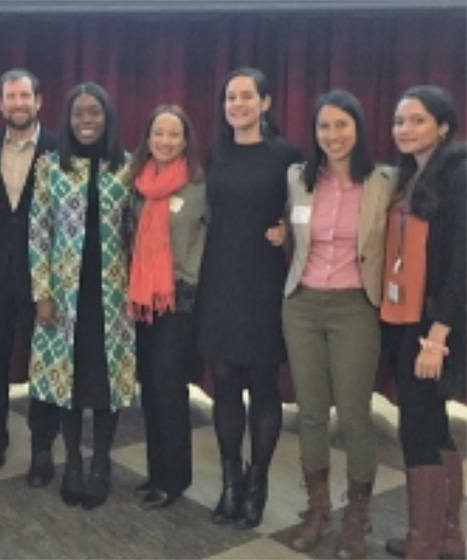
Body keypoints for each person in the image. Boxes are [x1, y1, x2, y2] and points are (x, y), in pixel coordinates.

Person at [282, 90, 396, 558]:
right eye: (324, 127)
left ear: (359, 129)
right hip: (302, 304)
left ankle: (358, 517)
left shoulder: (385, 181)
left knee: (353, 418)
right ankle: (318, 510)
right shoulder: (298, 178)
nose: (333, 135)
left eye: (342, 126)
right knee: (310, 413)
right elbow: (284, 223)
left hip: (356, 305)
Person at [196, 67, 304, 527]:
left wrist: (288, 234)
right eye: (229, 98)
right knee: (223, 382)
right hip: (218, 278)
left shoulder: (287, 155)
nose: (236, 105)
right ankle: (230, 482)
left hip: (262, 282)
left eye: (245, 97)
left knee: (263, 384)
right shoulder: (215, 153)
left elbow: (307, 212)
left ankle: (257, 482)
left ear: (265, 103)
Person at [29, 82, 136, 510]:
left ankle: (101, 464)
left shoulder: (126, 167)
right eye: (78, 113)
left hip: (113, 296)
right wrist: (42, 292)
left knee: (105, 383)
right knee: (66, 383)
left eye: (94, 113)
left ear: (107, 117)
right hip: (64, 295)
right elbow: (38, 232)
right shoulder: (51, 167)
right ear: (67, 120)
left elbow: (140, 233)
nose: (87, 120)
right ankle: (72, 461)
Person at [380, 85, 465, 560]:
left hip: (432, 324)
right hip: (404, 315)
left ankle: (424, 542)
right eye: (399, 121)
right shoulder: (411, 176)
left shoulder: (458, 176)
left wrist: (438, 335)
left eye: (417, 120)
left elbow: (461, 265)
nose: (404, 129)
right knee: (431, 424)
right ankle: (447, 536)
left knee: (416, 427)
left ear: (444, 126)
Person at [0, 69, 60, 488]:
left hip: (43, 280)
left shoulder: (60, 147)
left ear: (39, 101)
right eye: (11, 97)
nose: (19, 103)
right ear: (0, 104)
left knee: (43, 366)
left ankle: (42, 450)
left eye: (26, 96)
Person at [126, 104, 207, 509]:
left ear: (186, 140)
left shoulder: (198, 185)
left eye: (174, 135)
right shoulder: (138, 182)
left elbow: (213, 240)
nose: (165, 141)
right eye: (159, 133)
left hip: (179, 299)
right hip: (143, 300)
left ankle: (174, 479)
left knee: (169, 386)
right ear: (148, 138)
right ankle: (156, 473)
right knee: (151, 389)